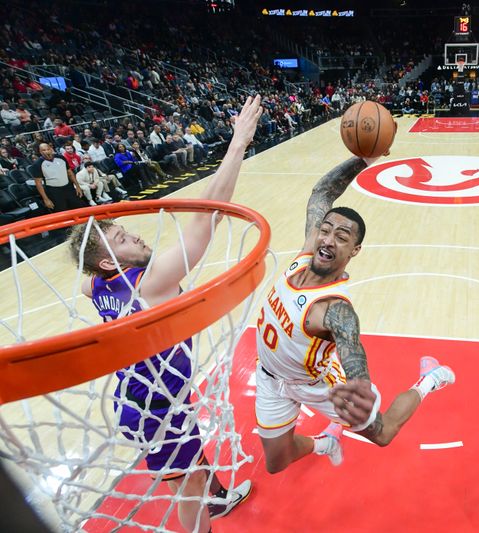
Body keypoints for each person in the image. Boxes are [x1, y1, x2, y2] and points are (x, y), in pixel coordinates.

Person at [65, 94, 263, 533]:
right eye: (120, 239)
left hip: (146, 400)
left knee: (193, 462)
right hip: (155, 411)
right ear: (107, 261)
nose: (132, 235)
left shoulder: (96, 284)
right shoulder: (149, 282)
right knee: (187, 496)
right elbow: (206, 216)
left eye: (124, 229)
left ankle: (220, 495)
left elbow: (84, 284)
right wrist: (237, 145)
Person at [255, 153, 455, 474]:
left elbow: (354, 357)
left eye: (342, 237)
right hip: (270, 378)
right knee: (276, 462)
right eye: (326, 229)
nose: (328, 239)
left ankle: (428, 379)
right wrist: (362, 158)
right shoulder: (307, 252)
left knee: (384, 432)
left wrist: (360, 387)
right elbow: (322, 193)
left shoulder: (335, 309)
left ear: (354, 251)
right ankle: (326, 442)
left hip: (319, 385)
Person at [29, 143, 85, 213]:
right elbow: (38, 183)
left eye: (48, 149)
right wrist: (46, 199)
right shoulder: (37, 164)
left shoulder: (61, 158)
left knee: (79, 207)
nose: (46, 151)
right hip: (54, 191)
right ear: (40, 152)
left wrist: (77, 186)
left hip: (68, 187)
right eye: (43, 150)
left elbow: (70, 173)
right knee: (62, 212)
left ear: (51, 149)